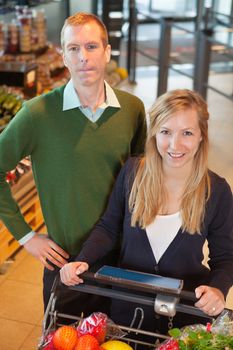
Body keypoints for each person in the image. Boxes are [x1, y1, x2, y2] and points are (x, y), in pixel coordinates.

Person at [0, 12, 146, 318]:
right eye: (73, 49)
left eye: (92, 46)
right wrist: (26, 236)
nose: (83, 57)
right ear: (63, 56)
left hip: (122, 260)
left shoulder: (132, 110)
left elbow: (141, 180)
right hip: (65, 263)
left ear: (107, 52)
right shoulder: (37, 114)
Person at [60, 89, 233, 339]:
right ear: (154, 134)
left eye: (187, 133)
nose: (175, 145)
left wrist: (218, 289)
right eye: (165, 132)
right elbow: (109, 227)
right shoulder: (132, 173)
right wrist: (83, 259)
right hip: (126, 312)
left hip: (184, 319)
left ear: (201, 137)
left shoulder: (216, 191)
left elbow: (226, 256)